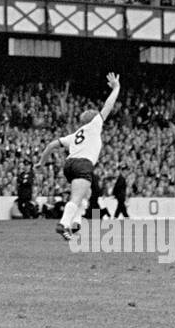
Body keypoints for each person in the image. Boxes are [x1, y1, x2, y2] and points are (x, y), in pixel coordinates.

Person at [42, 73, 120, 240]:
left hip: (69, 165)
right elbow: (108, 105)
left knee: (87, 193)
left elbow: (51, 145)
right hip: (83, 164)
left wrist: (41, 163)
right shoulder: (94, 125)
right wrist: (116, 88)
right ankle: (63, 224)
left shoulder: (75, 135)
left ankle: (76, 223)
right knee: (77, 198)